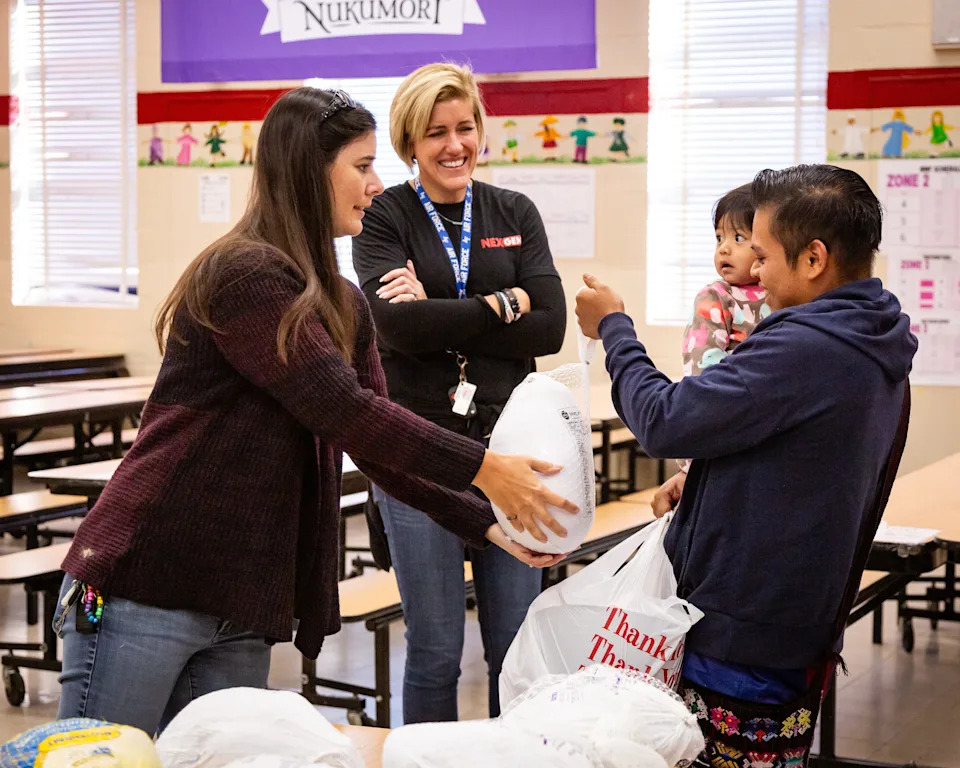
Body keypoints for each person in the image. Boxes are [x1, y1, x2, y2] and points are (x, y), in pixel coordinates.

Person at [54, 87, 575, 737]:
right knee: (94, 757)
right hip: (148, 581)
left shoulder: (344, 303)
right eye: (361, 166)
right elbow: (342, 409)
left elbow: (376, 443)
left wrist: (491, 526)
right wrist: (485, 468)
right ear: (308, 168)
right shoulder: (245, 273)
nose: (376, 184)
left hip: (241, 598)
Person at [576, 164, 916, 766]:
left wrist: (615, 329)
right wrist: (704, 482)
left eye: (762, 255)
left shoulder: (804, 347)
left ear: (813, 258)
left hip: (749, 632)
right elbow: (803, 460)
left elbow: (663, 419)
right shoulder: (873, 335)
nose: (752, 270)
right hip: (794, 619)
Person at [352, 62, 568, 724]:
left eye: (465, 127)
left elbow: (553, 325)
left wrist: (441, 306)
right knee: (437, 651)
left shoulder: (514, 210)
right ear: (410, 142)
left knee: (517, 646)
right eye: (435, 132)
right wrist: (504, 304)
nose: (454, 145)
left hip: (512, 454)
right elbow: (397, 325)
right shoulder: (384, 215)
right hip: (419, 454)